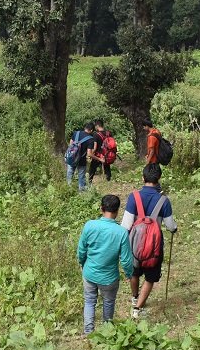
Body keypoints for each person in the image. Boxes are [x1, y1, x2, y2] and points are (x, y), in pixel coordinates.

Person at [122, 163, 178, 319]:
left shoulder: (134, 197)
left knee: (134, 272)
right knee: (150, 277)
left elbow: (126, 225)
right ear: (159, 178)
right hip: (154, 246)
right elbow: (170, 225)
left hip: (134, 245)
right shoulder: (164, 200)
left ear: (142, 177)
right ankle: (138, 309)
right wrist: (174, 229)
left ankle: (135, 298)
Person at [77, 194, 134, 336]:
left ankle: (88, 332)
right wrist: (128, 274)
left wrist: (82, 263)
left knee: (89, 301)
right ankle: (107, 332)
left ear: (101, 208)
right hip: (109, 278)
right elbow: (126, 259)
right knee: (108, 303)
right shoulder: (121, 232)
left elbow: (81, 249)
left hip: (89, 274)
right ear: (117, 211)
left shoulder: (89, 225)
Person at [65, 122, 98, 192]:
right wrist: (99, 159)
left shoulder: (75, 133)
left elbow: (70, 145)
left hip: (72, 158)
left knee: (70, 174)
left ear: (85, 127)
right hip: (81, 160)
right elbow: (89, 154)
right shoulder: (90, 139)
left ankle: (68, 190)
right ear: (91, 130)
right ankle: (81, 192)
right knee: (81, 177)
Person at [88, 119, 115, 184]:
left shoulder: (96, 135)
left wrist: (92, 154)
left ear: (97, 126)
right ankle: (108, 181)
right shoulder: (109, 133)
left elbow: (95, 147)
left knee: (92, 169)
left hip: (99, 155)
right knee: (107, 168)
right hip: (108, 154)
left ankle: (89, 182)